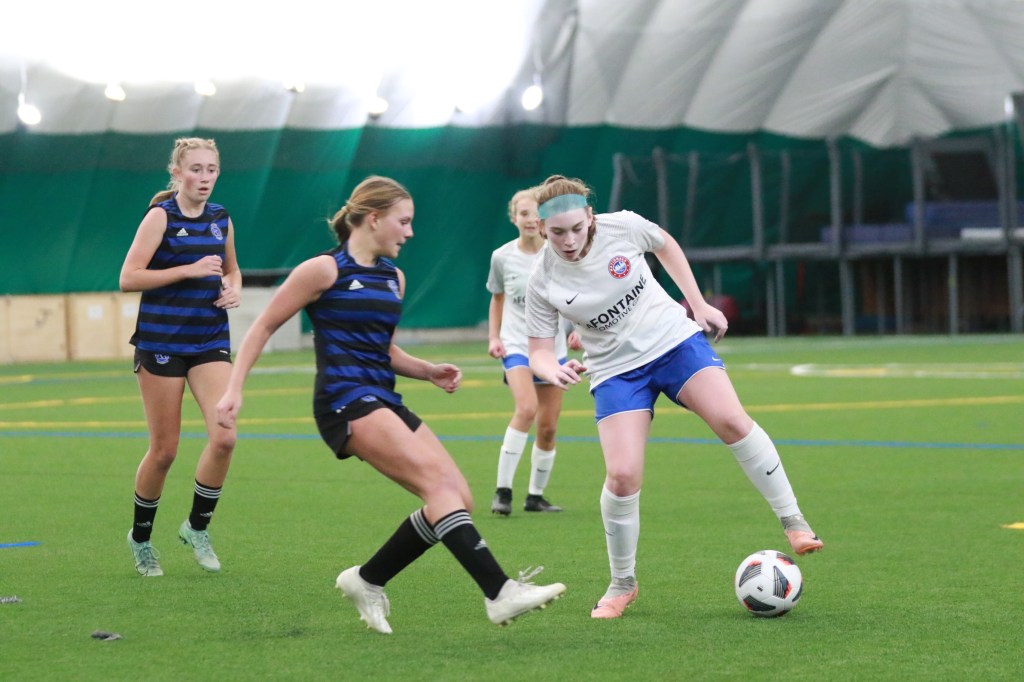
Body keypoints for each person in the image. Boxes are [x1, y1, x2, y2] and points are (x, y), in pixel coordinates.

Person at [214, 175, 565, 634]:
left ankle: (368, 578)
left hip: (382, 395)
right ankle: (499, 592)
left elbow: (385, 350)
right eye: (404, 221)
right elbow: (262, 326)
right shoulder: (324, 270)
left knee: (458, 498)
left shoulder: (393, 278)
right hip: (343, 400)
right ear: (374, 218)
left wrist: (427, 370)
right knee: (439, 490)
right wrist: (234, 388)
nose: (410, 232)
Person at [525, 175, 823, 620]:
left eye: (576, 228)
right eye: (556, 233)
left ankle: (793, 521)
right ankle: (622, 583)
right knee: (622, 476)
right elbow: (538, 352)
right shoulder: (542, 277)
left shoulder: (623, 226)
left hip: (673, 343)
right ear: (541, 229)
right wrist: (553, 369)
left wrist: (697, 303)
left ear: (590, 216)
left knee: (731, 420)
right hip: (615, 372)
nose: (568, 240)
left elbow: (665, 245)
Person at [119, 137, 241, 577]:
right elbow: (128, 277)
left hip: (209, 340)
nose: (204, 178)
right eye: (196, 169)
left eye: (211, 169)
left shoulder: (221, 218)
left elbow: (232, 268)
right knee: (164, 452)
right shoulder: (161, 216)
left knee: (225, 437)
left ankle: (196, 527)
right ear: (177, 173)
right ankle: (141, 539)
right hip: (162, 343)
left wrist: (233, 288)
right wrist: (187, 270)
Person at [486, 188, 581, 515]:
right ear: (514, 217)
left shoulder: (559, 255)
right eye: (523, 214)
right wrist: (493, 337)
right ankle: (503, 492)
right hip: (516, 345)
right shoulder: (502, 257)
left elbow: (574, 298)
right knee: (526, 409)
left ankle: (535, 497)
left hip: (552, 349)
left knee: (548, 427)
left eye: (535, 214)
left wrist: (578, 330)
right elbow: (497, 298)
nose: (529, 220)